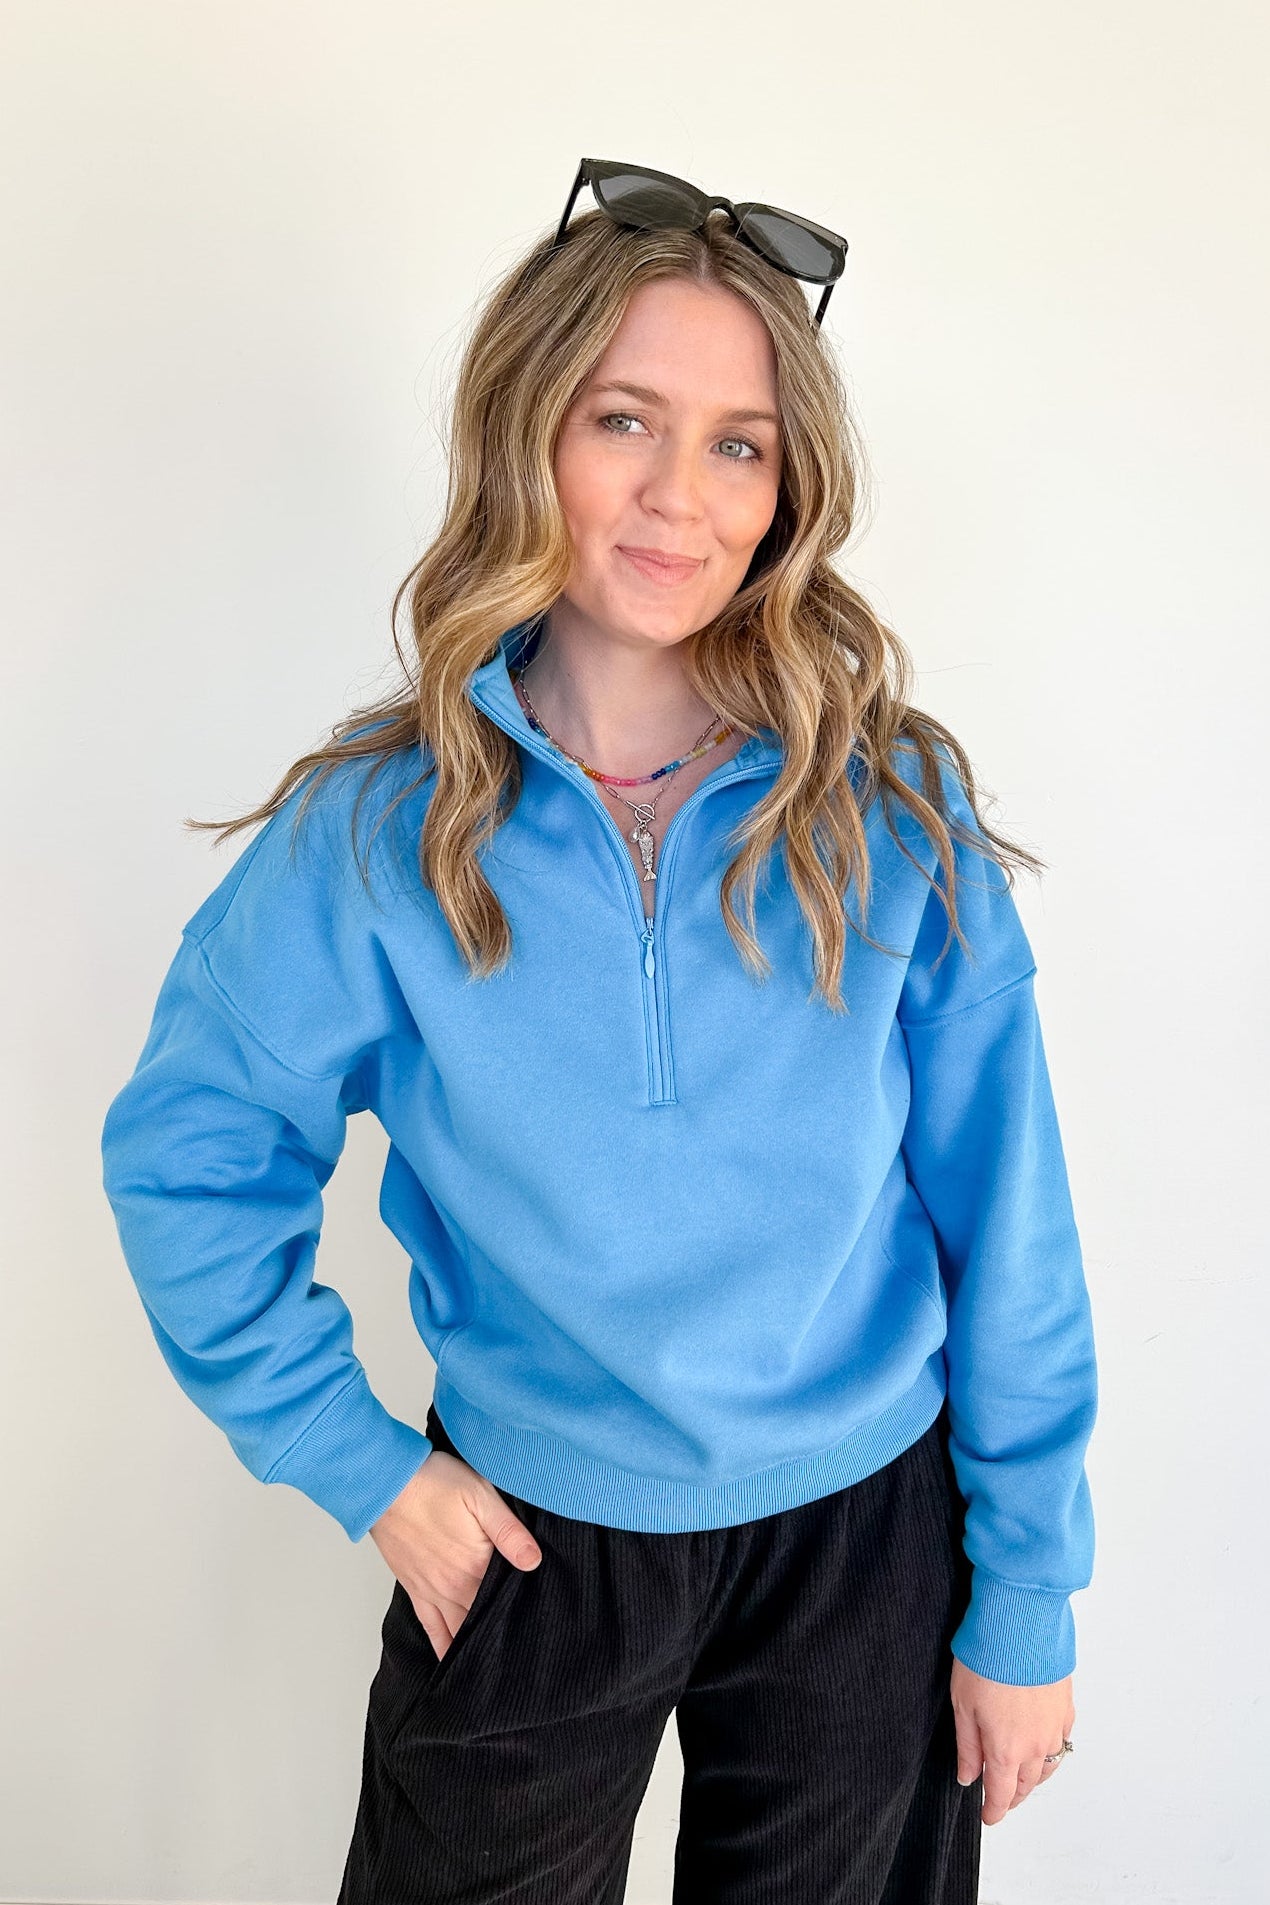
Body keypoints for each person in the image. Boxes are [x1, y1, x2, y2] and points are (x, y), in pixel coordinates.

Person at [99, 158, 1098, 1904]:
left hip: (866, 1527)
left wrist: (1023, 1585)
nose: (677, 494)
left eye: (738, 442)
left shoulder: (889, 812)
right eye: (623, 417)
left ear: (791, 491)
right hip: (529, 1533)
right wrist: (364, 1467)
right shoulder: (373, 833)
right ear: (525, 432)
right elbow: (189, 1158)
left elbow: (1004, 1216)